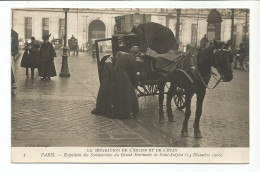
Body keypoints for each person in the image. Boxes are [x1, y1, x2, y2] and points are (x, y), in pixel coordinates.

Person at [91, 46, 139, 119]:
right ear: (136, 54)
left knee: (117, 92)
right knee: (127, 92)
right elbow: (133, 73)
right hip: (122, 74)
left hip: (115, 73)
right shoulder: (133, 59)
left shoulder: (124, 55)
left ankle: (115, 109)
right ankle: (123, 111)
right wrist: (135, 83)